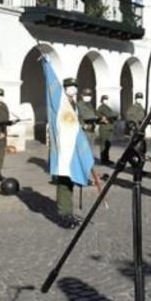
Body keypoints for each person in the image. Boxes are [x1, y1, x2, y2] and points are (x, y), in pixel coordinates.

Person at [54, 77, 86, 229]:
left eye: (74, 86)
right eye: (69, 86)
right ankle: (63, 215)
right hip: (64, 148)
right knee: (64, 182)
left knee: (70, 181)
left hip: (73, 148)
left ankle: (68, 212)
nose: (72, 88)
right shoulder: (62, 104)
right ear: (65, 88)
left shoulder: (74, 104)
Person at [124, 92, 147, 158]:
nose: (139, 100)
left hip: (141, 127)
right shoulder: (133, 107)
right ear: (135, 99)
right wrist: (134, 124)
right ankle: (133, 157)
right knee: (135, 143)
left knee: (141, 143)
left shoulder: (141, 107)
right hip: (135, 128)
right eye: (138, 98)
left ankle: (139, 155)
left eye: (140, 98)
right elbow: (129, 117)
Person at [76, 88, 98, 156]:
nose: (88, 97)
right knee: (83, 149)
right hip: (84, 130)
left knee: (90, 148)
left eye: (89, 95)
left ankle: (89, 164)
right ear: (82, 95)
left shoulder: (90, 105)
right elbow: (76, 116)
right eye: (86, 95)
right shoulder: (78, 105)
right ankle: (84, 165)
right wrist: (82, 125)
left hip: (92, 130)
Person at [96, 94, 116, 165]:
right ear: (102, 100)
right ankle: (103, 160)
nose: (106, 101)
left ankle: (106, 159)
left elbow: (113, 115)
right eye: (104, 99)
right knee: (103, 144)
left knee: (108, 144)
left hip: (110, 127)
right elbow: (98, 116)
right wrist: (103, 118)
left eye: (107, 99)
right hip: (104, 128)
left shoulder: (107, 107)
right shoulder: (101, 107)